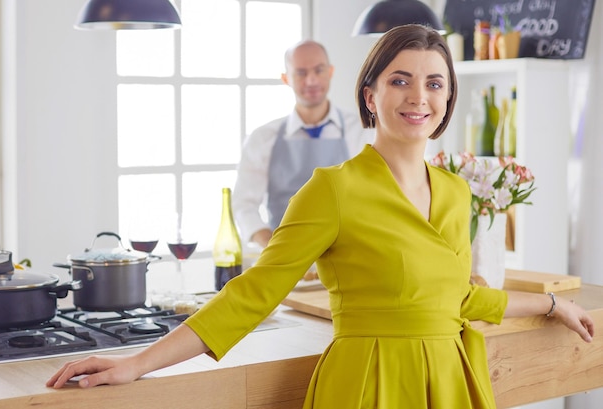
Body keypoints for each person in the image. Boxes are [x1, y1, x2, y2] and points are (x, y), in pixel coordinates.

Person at [47, 25, 594, 409]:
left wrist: (550, 304)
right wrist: (135, 363)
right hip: (368, 383)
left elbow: (460, 298)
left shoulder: (454, 192)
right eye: (400, 80)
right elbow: (251, 294)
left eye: (434, 83)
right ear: (370, 94)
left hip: (450, 381)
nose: (418, 97)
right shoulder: (333, 189)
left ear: (448, 100)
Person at [233, 39, 374, 248]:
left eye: (319, 70)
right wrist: (273, 248)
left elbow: (375, 200)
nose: (311, 81)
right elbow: (244, 205)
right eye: (300, 73)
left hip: (350, 256)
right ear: (285, 78)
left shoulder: (364, 133)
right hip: (285, 258)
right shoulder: (262, 138)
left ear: (330, 71)